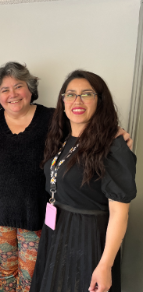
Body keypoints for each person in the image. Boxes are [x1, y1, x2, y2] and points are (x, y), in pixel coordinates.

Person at [0, 62, 133, 292]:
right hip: (0, 216)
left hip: (38, 217)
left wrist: (117, 133)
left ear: (30, 89)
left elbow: (88, 130)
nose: (12, 94)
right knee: (6, 273)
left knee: (32, 278)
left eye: (18, 86)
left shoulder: (53, 119)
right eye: (5, 89)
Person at [30, 70, 136, 292]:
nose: (77, 100)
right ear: (63, 100)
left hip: (88, 237)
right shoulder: (61, 138)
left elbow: (119, 213)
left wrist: (105, 265)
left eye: (86, 94)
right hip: (56, 231)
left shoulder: (114, 145)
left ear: (100, 100)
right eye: (70, 94)